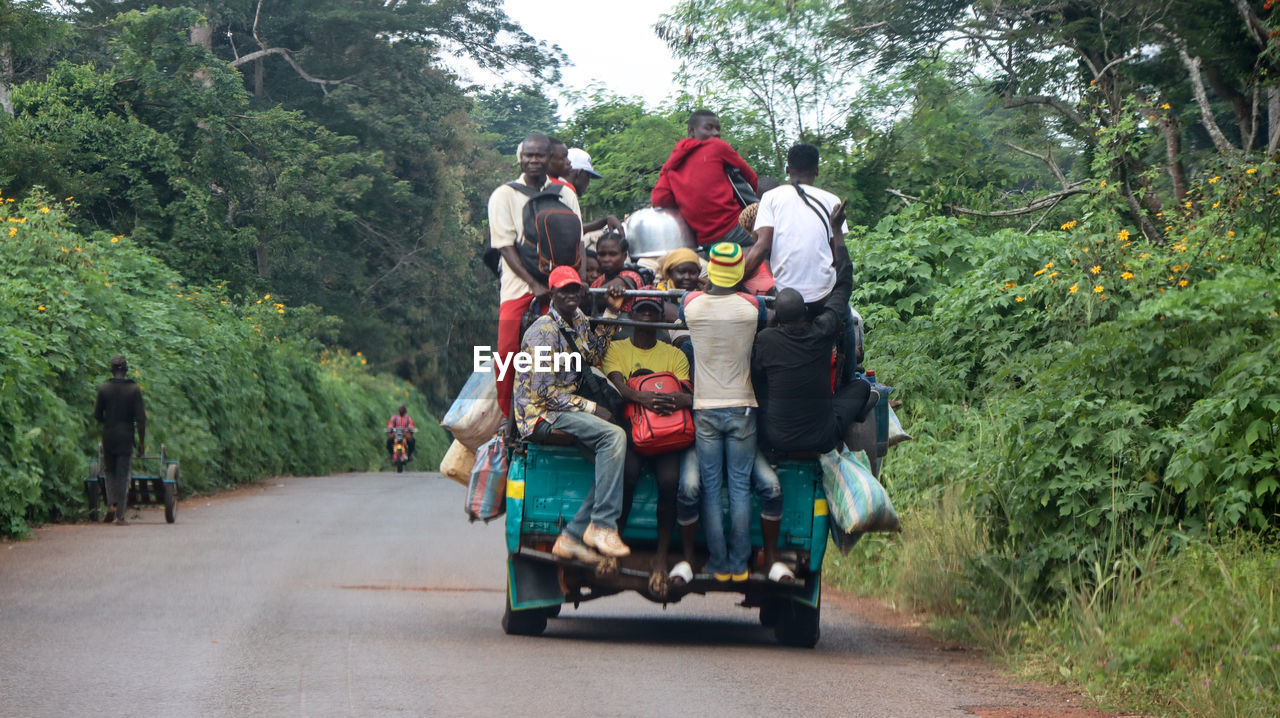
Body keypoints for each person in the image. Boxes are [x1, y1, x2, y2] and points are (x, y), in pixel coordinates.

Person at [514, 266, 632, 560]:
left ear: (581, 291)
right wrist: (593, 408)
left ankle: (572, 536)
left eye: (574, 289)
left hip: (563, 404)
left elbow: (594, 355)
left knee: (617, 462)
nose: (570, 294)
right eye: (563, 290)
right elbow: (544, 394)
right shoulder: (542, 333)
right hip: (539, 414)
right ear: (552, 294)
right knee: (613, 437)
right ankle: (603, 526)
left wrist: (611, 314)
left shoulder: (577, 318)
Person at [680, 242, 781, 582]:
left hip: (704, 407)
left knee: (710, 487)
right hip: (743, 406)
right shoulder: (752, 307)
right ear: (739, 271)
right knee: (739, 487)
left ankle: (718, 564)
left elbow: (685, 307)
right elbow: (767, 313)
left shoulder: (690, 304)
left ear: (711, 271)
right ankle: (739, 565)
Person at [603, 295, 698, 597]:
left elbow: (682, 390)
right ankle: (613, 544)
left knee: (669, 483)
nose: (646, 317)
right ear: (631, 315)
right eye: (641, 311)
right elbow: (619, 385)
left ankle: (660, 557)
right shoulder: (615, 348)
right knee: (627, 477)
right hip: (634, 430)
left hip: (666, 431)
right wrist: (641, 396)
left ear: (660, 318)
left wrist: (669, 399)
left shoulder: (674, 355)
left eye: (652, 312)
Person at [488, 133, 582, 417]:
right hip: (518, 289)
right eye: (528, 155)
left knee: (568, 356)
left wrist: (581, 280)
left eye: (539, 155)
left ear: (549, 157)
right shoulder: (504, 195)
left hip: (562, 287)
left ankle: (559, 413)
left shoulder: (565, 193)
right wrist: (533, 283)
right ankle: (509, 420)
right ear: (520, 157)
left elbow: (577, 240)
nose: (533, 160)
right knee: (507, 355)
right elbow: (504, 245)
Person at [753, 288, 875, 456]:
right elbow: (840, 308)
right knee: (861, 386)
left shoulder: (766, 339)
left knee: (762, 388)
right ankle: (857, 415)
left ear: (776, 315)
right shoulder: (822, 335)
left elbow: (757, 376)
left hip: (778, 439)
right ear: (804, 312)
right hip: (822, 439)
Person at [651, 109, 758, 248]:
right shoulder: (717, 146)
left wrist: (685, 199)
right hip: (735, 227)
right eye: (708, 128)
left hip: (705, 240)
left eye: (717, 129)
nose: (715, 133)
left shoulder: (670, 166)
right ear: (692, 132)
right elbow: (752, 177)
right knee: (774, 239)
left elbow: (659, 199)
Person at [93, 354, 146, 526]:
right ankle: (120, 516)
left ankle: (110, 505)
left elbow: (97, 415)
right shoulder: (134, 390)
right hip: (126, 436)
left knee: (109, 471)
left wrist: (109, 422)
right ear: (126, 369)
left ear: (111, 369)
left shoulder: (104, 389)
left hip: (109, 435)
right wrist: (142, 444)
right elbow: (141, 420)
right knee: (123, 474)